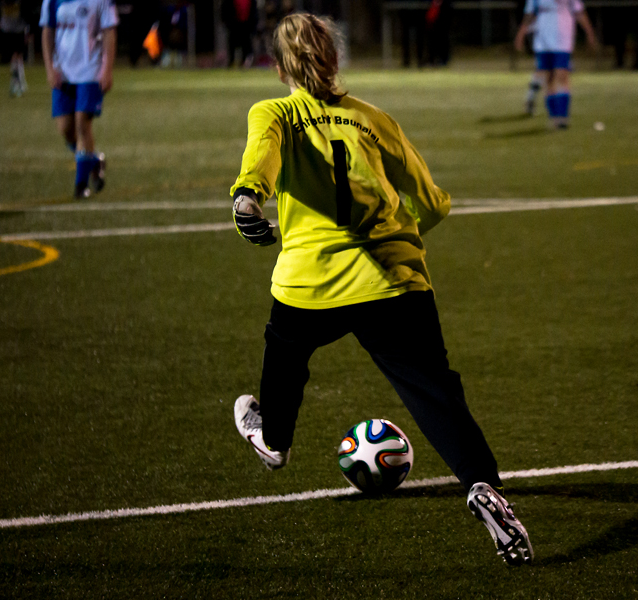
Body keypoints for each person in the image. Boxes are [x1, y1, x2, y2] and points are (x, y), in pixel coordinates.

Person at [229, 12, 534, 566]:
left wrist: (248, 198)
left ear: (278, 70)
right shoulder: (374, 119)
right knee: (437, 394)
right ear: (335, 60)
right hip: (394, 278)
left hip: (312, 280)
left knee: (285, 350)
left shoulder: (273, 111)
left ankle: (274, 438)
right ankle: (483, 486)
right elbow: (432, 202)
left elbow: (262, 156)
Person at [40, 0, 118, 199]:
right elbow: (47, 31)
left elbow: (110, 30)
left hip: (90, 71)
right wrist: (50, 68)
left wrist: (107, 69)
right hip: (63, 72)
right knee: (66, 130)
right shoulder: (51, 1)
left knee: (83, 124)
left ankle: (81, 185)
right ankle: (93, 162)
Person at [515, 0, 598, 129]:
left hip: (562, 37)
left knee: (562, 75)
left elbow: (579, 12)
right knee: (549, 78)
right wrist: (520, 34)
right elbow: (529, 15)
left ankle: (563, 117)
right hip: (542, 38)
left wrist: (589, 32)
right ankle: (554, 117)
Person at [0, 0, 29, 97]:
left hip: (13, 30)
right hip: (12, 30)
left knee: (17, 57)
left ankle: (17, 83)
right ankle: (17, 84)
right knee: (16, 57)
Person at [222, 0, 258, 68]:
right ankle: (231, 62)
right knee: (232, 45)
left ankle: (245, 63)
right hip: (233, 25)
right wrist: (227, 23)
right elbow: (225, 10)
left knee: (246, 46)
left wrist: (253, 26)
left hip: (247, 26)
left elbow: (254, 11)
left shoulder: (251, 1)